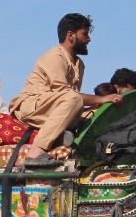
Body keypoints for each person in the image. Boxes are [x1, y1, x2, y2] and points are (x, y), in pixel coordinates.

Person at [10, 13, 124, 162]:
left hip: (58, 108)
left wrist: (103, 103)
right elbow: (67, 95)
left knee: (98, 113)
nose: (88, 39)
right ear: (71, 35)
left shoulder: (79, 64)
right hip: (32, 106)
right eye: (84, 34)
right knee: (75, 98)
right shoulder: (55, 56)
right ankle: (36, 150)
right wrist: (101, 98)